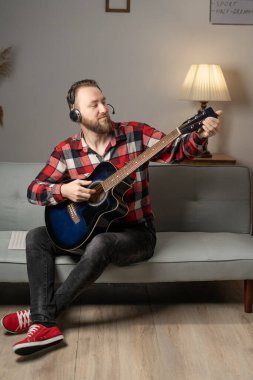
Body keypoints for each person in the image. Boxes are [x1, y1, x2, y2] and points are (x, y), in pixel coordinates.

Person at [1, 79, 221, 356]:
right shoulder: (66, 151)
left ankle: (40, 317)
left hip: (136, 234)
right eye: (94, 105)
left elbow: (177, 152)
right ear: (75, 113)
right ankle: (44, 321)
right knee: (37, 237)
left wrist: (200, 135)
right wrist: (64, 189)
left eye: (104, 101)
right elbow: (34, 190)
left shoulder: (136, 134)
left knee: (103, 243)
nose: (104, 109)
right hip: (88, 232)